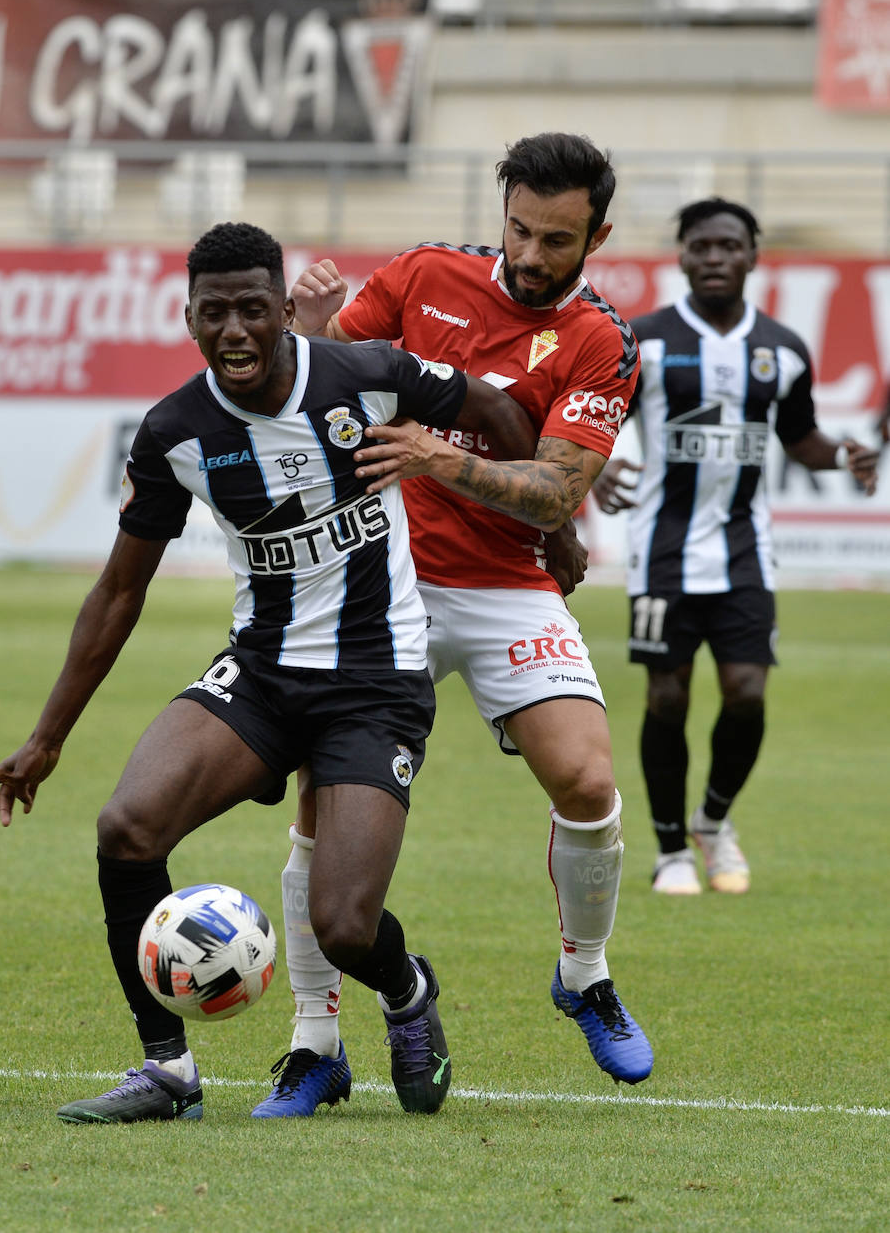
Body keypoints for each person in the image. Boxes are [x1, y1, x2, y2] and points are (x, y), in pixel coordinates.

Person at [0, 221, 539, 1124]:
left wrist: (544, 526)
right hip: (264, 674)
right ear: (188, 319)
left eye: (251, 309)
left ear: (286, 312)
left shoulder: (365, 374)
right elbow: (120, 592)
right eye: (213, 313)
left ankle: (406, 995)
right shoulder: (175, 431)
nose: (233, 330)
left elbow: (494, 412)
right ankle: (166, 1073)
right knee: (127, 828)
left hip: (375, 680)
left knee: (344, 927)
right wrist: (46, 740)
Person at [248, 131, 655, 1121]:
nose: (530, 253)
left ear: (597, 234)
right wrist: (304, 334)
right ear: (502, 208)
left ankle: (584, 973)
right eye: (520, 227)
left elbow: (557, 488)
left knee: (590, 781)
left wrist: (439, 458)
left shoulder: (601, 341)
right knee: (319, 807)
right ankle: (314, 1045)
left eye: (558, 239)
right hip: (384, 587)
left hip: (508, 584)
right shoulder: (427, 274)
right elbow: (316, 384)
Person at [592, 198, 880, 897]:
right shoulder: (646, 340)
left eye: (728, 246)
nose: (714, 258)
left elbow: (800, 438)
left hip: (745, 549)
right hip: (661, 548)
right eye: (700, 246)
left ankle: (712, 821)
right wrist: (593, 470)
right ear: (682, 257)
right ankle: (669, 852)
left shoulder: (780, 349)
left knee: (746, 693)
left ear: (752, 256)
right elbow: (593, 419)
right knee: (666, 696)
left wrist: (843, 455)